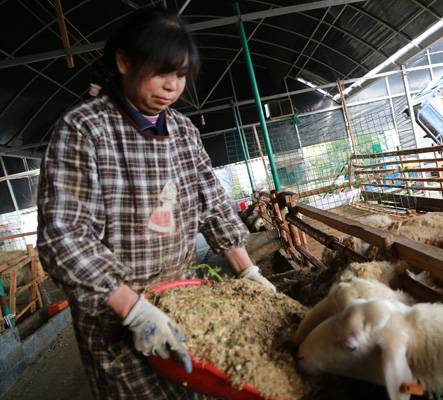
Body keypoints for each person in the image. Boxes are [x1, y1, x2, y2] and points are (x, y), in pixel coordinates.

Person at [36, 7, 275, 399]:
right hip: (117, 311)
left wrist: (248, 272)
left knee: (196, 387)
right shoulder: (85, 129)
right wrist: (134, 309)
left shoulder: (181, 129)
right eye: (161, 72)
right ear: (124, 61)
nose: (172, 86)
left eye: (180, 75)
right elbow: (64, 236)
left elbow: (212, 203)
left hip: (182, 299)